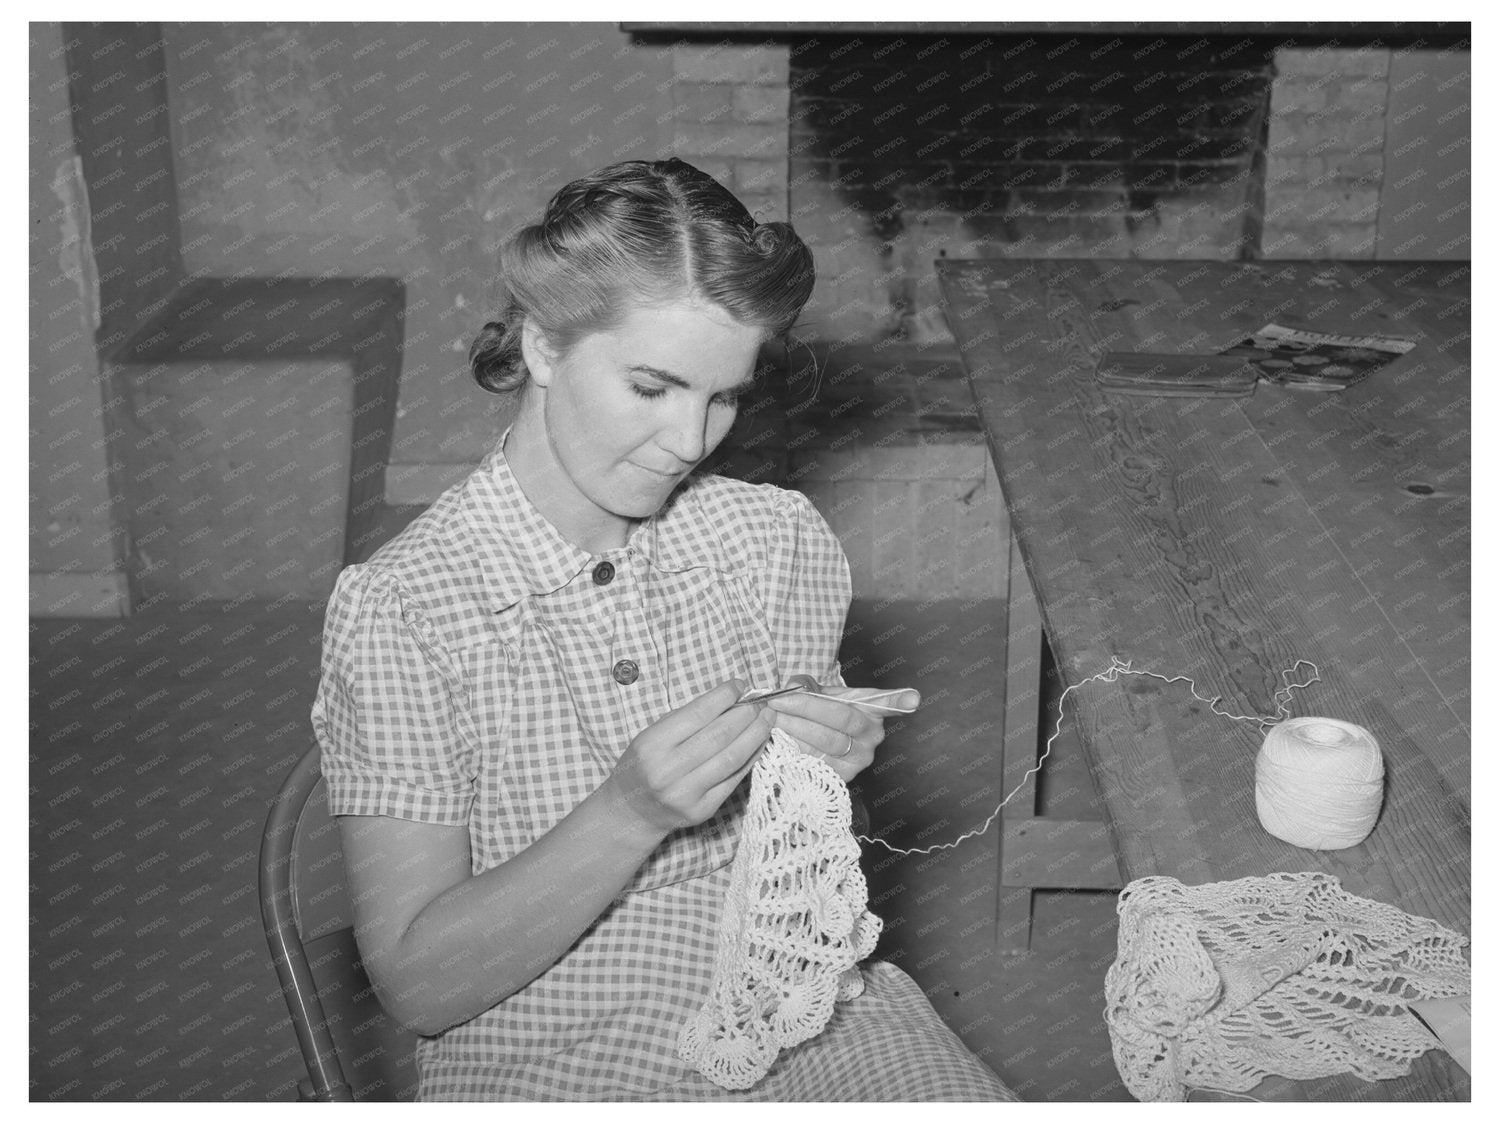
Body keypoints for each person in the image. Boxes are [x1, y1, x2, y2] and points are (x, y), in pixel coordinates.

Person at [311, 157, 1018, 1102]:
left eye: (723, 396)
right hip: (543, 1047)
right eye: (653, 387)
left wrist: (821, 761)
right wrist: (628, 813)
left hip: (794, 1012)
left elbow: (794, 880)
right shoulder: (403, 609)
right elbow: (419, 987)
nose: (692, 441)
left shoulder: (772, 542)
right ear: (544, 348)